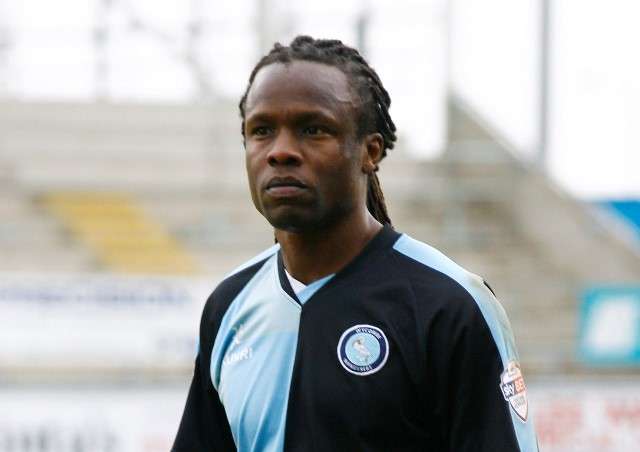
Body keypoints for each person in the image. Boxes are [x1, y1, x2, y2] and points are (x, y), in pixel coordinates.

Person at [172, 35, 539, 452]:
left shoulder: (448, 305)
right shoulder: (229, 306)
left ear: (370, 152)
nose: (281, 151)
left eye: (313, 130)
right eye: (261, 131)